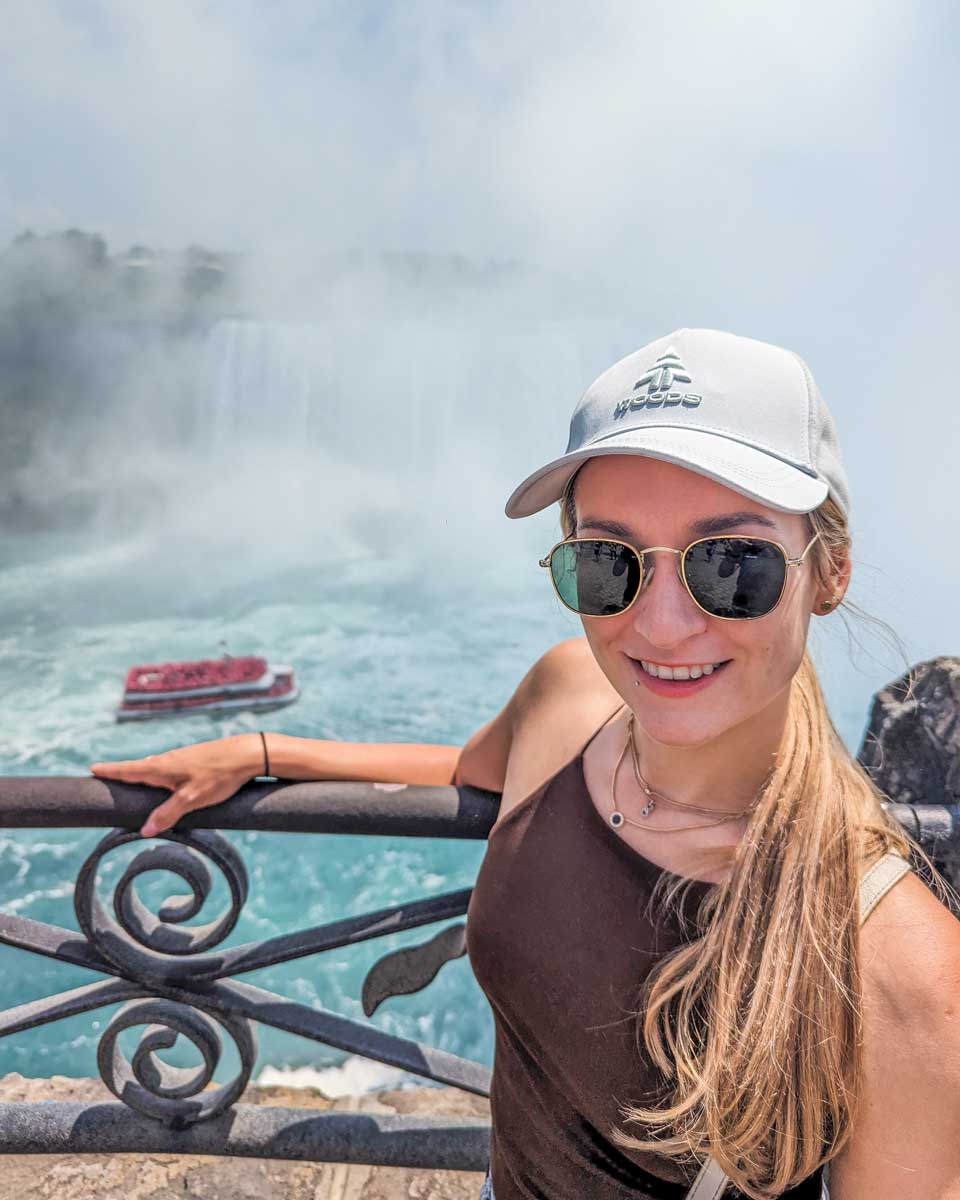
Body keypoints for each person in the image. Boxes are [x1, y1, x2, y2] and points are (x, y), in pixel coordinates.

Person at [91, 328, 960, 1200]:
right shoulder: (569, 695)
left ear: (832, 570)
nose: (659, 625)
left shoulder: (895, 966)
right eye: (608, 562)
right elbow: (465, 771)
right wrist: (267, 751)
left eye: (732, 566)